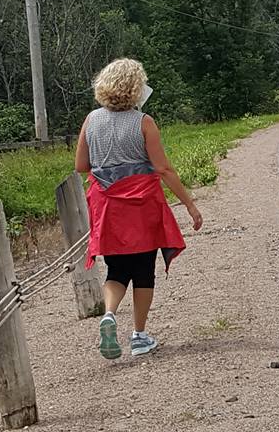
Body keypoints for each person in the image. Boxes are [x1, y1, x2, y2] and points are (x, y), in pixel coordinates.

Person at [75, 58, 203, 359]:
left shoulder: (91, 120)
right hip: (141, 205)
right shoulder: (144, 122)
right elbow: (163, 169)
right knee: (144, 269)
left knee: (117, 268)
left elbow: (81, 165)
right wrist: (190, 205)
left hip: (108, 207)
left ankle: (109, 314)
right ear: (136, 88)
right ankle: (139, 336)